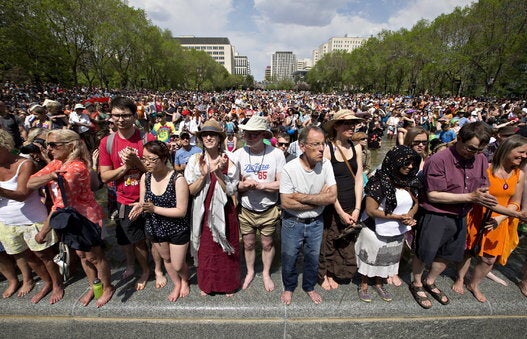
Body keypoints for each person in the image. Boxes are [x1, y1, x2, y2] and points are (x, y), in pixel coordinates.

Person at [410, 121, 497, 309]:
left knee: (448, 254)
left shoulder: (480, 159)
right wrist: (470, 196)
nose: (473, 153)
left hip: (461, 214)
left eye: (479, 150)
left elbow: (483, 183)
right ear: (459, 139)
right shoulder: (438, 160)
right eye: (470, 148)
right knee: (424, 252)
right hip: (437, 214)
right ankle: (417, 283)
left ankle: (430, 281)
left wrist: (484, 195)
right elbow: (433, 195)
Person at [28, 129, 115, 307]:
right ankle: (93, 285)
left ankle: (107, 287)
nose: (48, 149)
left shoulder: (76, 168)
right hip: (71, 218)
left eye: (53, 145)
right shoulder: (58, 163)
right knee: (82, 255)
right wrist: (51, 176)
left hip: (85, 218)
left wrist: (43, 231)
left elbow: (60, 204)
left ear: (70, 146)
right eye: (47, 145)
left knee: (94, 257)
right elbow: (29, 182)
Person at [98, 96, 163, 291]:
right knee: (136, 240)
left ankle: (158, 269)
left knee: (155, 237)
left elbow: (157, 171)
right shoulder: (107, 143)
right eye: (116, 115)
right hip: (124, 199)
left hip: (150, 197)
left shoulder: (147, 139)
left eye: (125, 115)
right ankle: (144, 270)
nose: (120, 119)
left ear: (134, 116)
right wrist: (126, 167)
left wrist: (137, 161)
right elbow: (105, 177)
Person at [452, 135, 527, 302]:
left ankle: (474, 284)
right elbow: (478, 196)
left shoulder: (519, 174)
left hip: (500, 221)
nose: (524, 156)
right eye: (521, 152)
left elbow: (515, 202)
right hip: (478, 217)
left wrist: (500, 218)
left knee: (489, 258)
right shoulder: (486, 169)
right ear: (508, 149)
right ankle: (460, 278)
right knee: (468, 252)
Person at [0, 129, 61, 303]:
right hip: (5, 220)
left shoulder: (24, 163)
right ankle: (46, 282)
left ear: (4, 146)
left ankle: (57, 283)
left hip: (31, 218)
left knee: (44, 255)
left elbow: (22, 193)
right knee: (26, 256)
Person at [279, 125, 337, 305]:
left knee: (313, 257)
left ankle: (309, 286)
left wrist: (301, 197)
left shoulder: (326, 165)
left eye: (323, 144)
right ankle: (289, 287)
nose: (321, 149)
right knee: (289, 257)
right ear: (302, 146)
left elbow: (332, 196)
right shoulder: (289, 169)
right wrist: (320, 198)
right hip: (291, 222)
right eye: (316, 144)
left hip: (316, 222)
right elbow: (286, 203)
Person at [355, 146, 421, 302]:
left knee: (387, 258)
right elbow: (371, 210)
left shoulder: (410, 181)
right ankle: (363, 284)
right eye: (406, 163)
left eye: (412, 164)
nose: (410, 167)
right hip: (375, 229)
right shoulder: (378, 181)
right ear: (395, 162)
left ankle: (379, 283)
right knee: (371, 258)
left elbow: (416, 203)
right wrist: (398, 217)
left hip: (398, 230)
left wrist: (409, 216)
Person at [129, 141, 190, 302]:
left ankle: (185, 279)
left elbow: (181, 211)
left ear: (163, 158)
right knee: (166, 259)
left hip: (177, 228)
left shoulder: (177, 179)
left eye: (152, 159)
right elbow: (144, 201)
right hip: (155, 227)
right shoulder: (145, 177)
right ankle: (176, 283)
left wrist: (154, 209)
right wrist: (139, 207)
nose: (147, 163)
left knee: (177, 264)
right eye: (144, 159)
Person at [184, 120, 241, 295]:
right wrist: (203, 176)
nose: (209, 137)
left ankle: (228, 285)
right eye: (205, 135)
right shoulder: (195, 160)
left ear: (219, 138)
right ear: (201, 139)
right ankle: (207, 284)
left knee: (225, 247)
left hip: (224, 210)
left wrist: (218, 173)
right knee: (206, 248)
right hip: (202, 210)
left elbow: (231, 190)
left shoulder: (228, 160)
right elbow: (190, 190)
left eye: (213, 134)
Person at [234, 114, 286, 292]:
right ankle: (249, 272)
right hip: (247, 208)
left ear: (264, 135)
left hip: (268, 208)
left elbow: (282, 183)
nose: (249, 137)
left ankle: (265, 273)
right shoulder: (238, 154)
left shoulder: (277, 154)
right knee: (248, 243)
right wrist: (243, 185)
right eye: (247, 133)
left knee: (267, 243)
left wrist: (262, 185)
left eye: (254, 134)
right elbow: (233, 184)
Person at [318, 110, 364, 291]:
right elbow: (327, 183)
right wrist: (339, 211)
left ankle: (338, 271)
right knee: (328, 239)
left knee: (345, 240)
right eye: (347, 123)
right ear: (336, 126)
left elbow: (359, 178)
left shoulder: (356, 147)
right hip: (332, 204)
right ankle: (326, 274)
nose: (351, 127)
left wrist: (357, 208)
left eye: (353, 123)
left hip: (352, 203)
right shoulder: (328, 148)